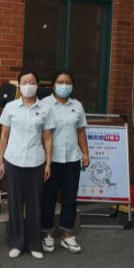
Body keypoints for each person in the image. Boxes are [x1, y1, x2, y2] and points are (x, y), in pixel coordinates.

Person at [0, 69, 54, 260]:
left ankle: (34, 243)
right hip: (13, 160)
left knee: (34, 204)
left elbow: (48, 138)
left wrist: (48, 163)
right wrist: (1, 161)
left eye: (31, 82)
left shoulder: (45, 109)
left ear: (37, 85)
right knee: (14, 203)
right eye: (24, 82)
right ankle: (17, 242)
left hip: (36, 161)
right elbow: (4, 136)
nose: (28, 86)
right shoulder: (11, 107)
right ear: (19, 85)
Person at [40, 71, 89, 254]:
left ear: (72, 85)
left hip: (72, 159)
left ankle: (67, 235)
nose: (64, 85)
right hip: (50, 161)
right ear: (54, 85)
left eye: (67, 82)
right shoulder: (44, 104)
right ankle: (47, 234)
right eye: (60, 82)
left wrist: (85, 153)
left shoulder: (77, 105)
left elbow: (81, 131)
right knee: (48, 198)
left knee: (70, 198)